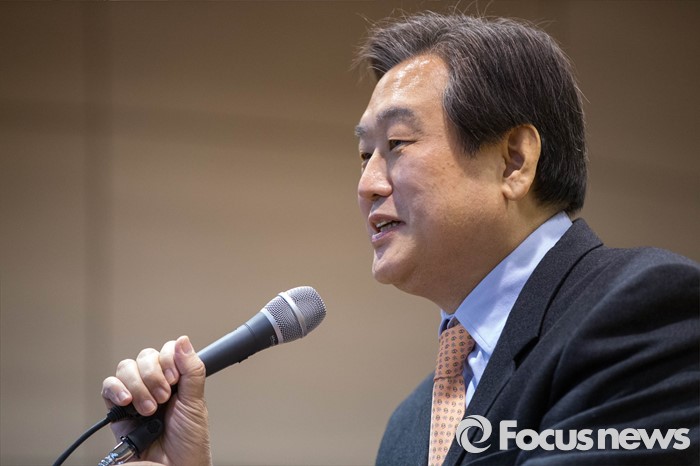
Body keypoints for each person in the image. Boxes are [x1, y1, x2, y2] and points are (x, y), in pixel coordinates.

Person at [101, 12, 699, 465]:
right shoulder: (410, 425)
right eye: (365, 154)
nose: (367, 184)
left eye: (398, 145)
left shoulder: (641, 312)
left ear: (514, 161)